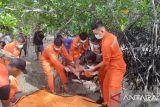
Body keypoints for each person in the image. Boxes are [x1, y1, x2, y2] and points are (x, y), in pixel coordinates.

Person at [87, 21, 126, 107]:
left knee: (113, 88)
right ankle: (106, 103)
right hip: (111, 66)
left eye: (96, 33)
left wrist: (93, 68)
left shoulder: (106, 43)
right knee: (105, 85)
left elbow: (105, 62)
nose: (96, 35)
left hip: (117, 68)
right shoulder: (110, 36)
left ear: (101, 30)